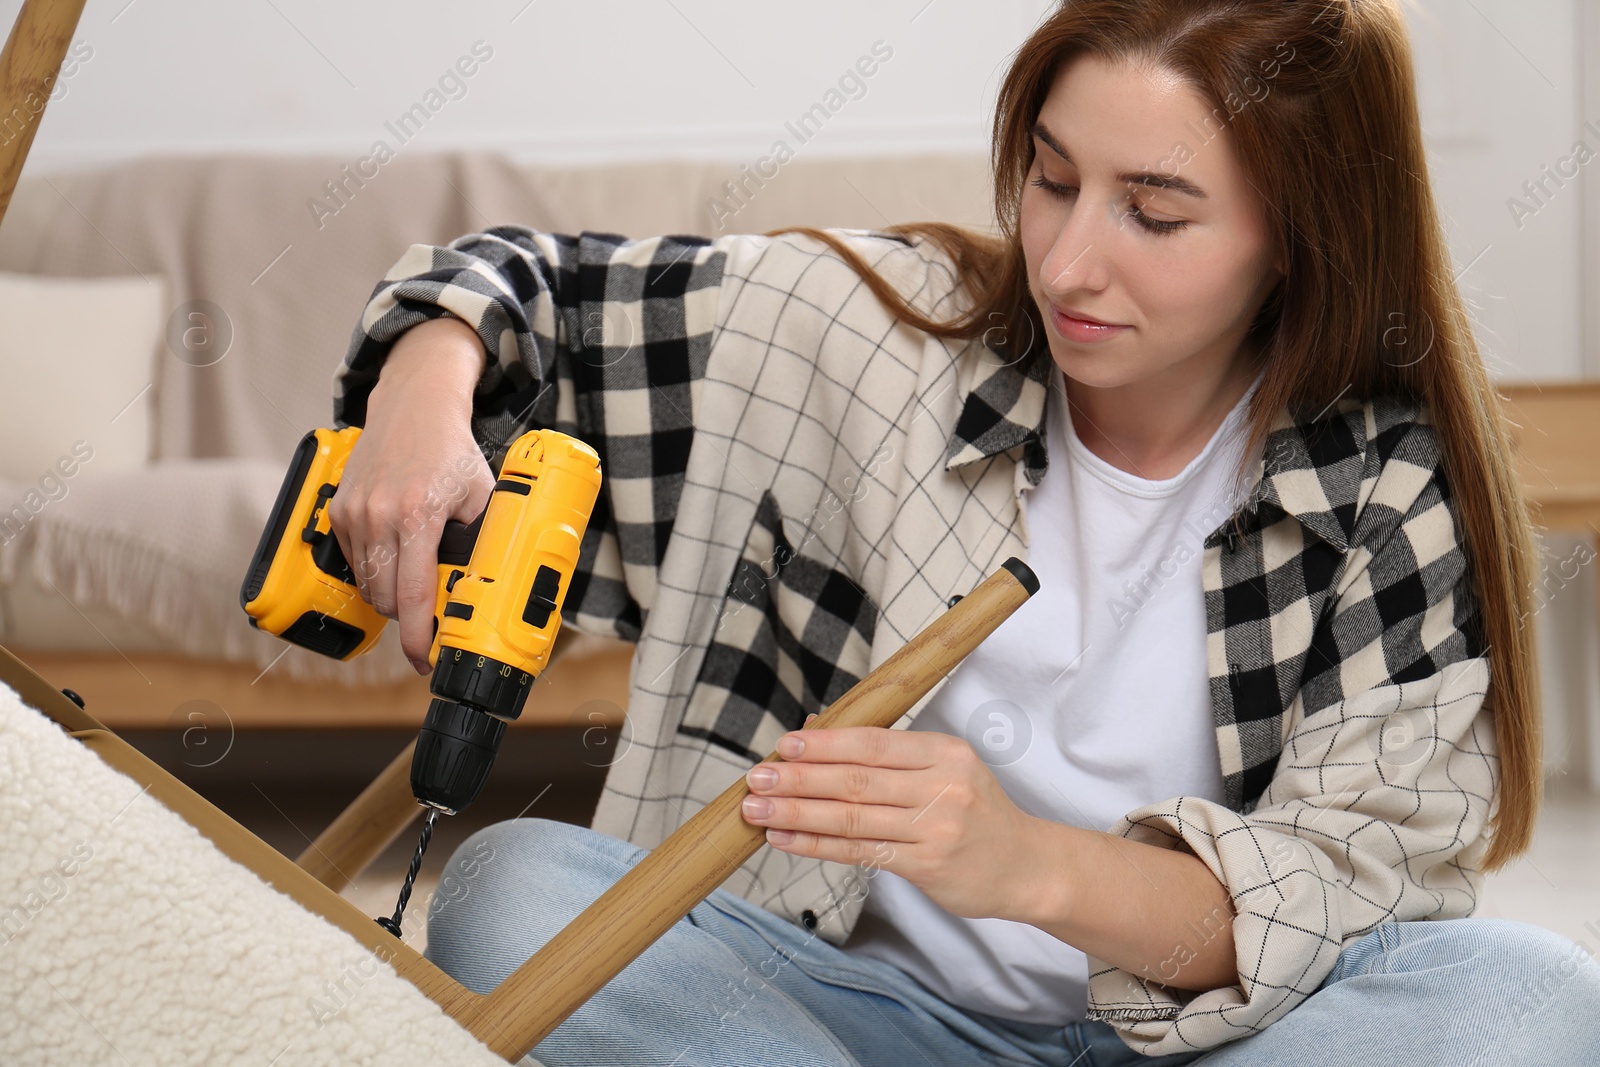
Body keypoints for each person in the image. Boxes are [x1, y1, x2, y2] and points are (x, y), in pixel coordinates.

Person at [326, 1, 1600, 1064]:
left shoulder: (1381, 486)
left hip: (1208, 1043)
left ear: (1298, 238)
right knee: (513, 892)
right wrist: (422, 390)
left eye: (1153, 214)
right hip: (836, 1015)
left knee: (1531, 994)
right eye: (1052, 180)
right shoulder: (868, 333)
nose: (1066, 263)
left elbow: (1343, 898)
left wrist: (1028, 865)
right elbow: (522, 286)